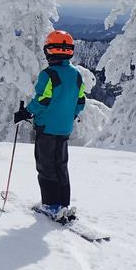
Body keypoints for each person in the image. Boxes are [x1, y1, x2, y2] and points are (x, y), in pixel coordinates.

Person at [14, 30, 85, 222]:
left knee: (46, 166)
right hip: (64, 129)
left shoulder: (48, 74)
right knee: (61, 165)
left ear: (49, 51)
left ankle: (51, 205)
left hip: (46, 128)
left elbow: (42, 100)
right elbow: (80, 102)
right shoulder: (76, 75)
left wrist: (25, 112)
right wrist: (68, 116)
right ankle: (63, 204)